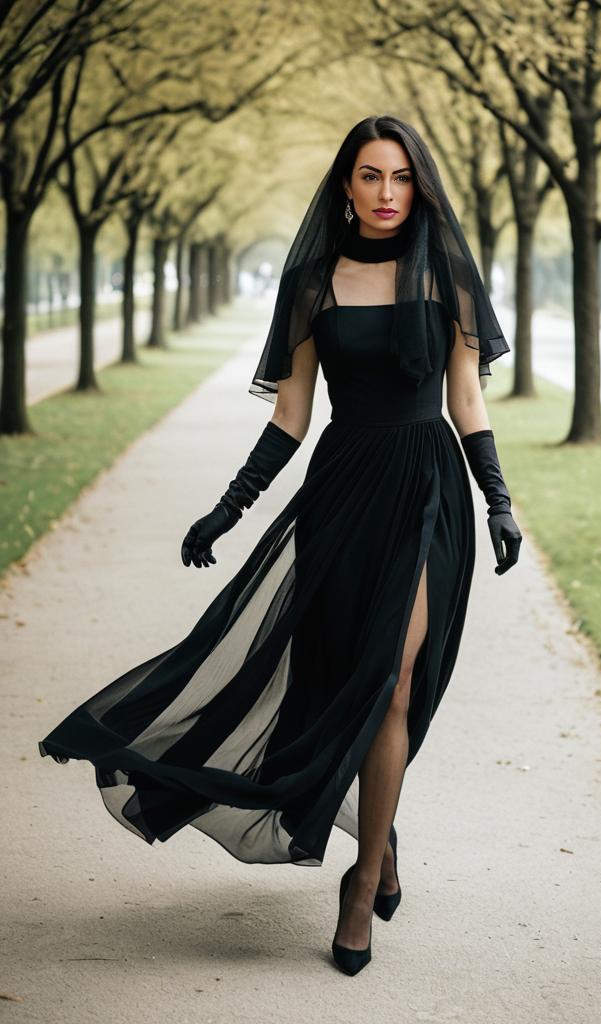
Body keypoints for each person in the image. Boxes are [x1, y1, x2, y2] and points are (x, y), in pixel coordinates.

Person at [38, 114, 522, 977]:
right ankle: (385, 828)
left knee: (393, 674)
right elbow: (291, 418)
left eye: (400, 178)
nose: (385, 193)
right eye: (370, 176)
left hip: (423, 489)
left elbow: (467, 401)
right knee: (341, 676)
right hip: (340, 491)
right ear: (346, 185)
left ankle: (360, 879)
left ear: (418, 186)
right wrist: (227, 511)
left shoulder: (444, 272)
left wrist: (499, 503)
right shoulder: (310, 280)